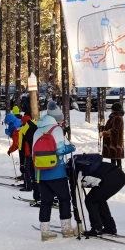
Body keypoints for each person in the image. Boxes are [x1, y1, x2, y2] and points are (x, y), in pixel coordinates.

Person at [32, 102, 76, 241]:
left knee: (46, 201)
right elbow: (60, 150)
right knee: (64, 198)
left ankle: (45, 232)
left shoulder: (37, 130)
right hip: (56, 171)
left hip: (40, 172)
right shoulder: (56, 130)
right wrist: (71, 148)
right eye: (61, 120)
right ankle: (67, 229)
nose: (61, 123)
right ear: (57, 119)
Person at [72, 153, 125, 237]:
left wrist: (79, 221)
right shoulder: (80, 166)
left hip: (111, 178)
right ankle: (110, 227)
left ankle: (96, 228)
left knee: (90, 200)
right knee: (99, 199)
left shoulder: (75, 173)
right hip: (119, 175)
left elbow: (78, 199)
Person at [101, 102, 125, 168]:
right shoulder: (114, 117)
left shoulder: (118, 118)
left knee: (117, 158)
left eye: (112, 109)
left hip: (115, 142)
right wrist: (102, 127)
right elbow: (109, 127)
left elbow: (114, 130)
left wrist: (104, 133)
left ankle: (118, 172)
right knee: (113, 158)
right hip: (113, 141)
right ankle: (114, 172)